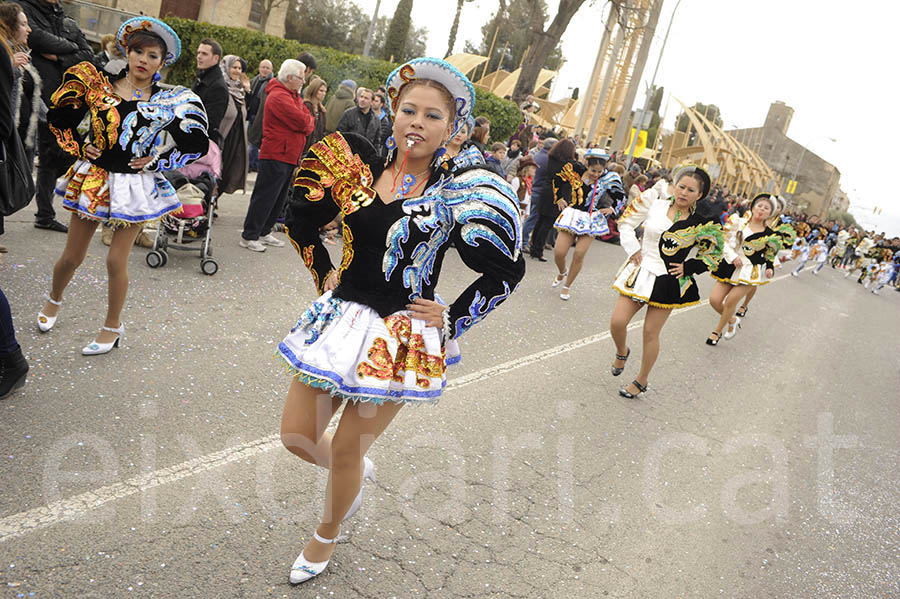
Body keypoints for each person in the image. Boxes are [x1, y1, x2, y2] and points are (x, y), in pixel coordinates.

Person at [277, 57, 525, 585]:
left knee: (346, 447)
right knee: (297, 437)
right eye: (409, 109)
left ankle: (325, 533)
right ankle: (354, 476)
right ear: (392, 112)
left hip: (400, 334)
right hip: (341, 317)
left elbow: (507, 268)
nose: (418, 122)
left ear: (452, 128)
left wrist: (453, 316)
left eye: (433, 116)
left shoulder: (457, 193)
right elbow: (299, 219)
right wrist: (323, 272)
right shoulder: (358, 169)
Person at [36, 17, 209, 354]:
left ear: (163, 62)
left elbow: (195, 144)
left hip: (135, 186)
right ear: (127, 53)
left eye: (153, 55)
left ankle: (112, 327)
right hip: (96, 178)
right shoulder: (99, 85)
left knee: (117, 261)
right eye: (138, 51)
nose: (144, 60)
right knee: (72, 256)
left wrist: (157, 161)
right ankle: (53, 299)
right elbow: (59, 117)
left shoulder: (170, 101)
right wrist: (81, 143)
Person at [609, 166, 723, 398]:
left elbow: (713, 253)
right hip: (640, 271)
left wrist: (689, 267)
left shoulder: (701, 223)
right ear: (674, 185)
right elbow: (626, 222)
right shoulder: (654, 202)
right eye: (681, 186)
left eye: (691, 190)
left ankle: (641, 380)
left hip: (668, 280)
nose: (684, 192)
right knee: (617, 322)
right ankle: (622, 352)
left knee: (650, 333)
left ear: (699, 195)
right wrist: (632, 249)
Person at [15, 0, 94, 233]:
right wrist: (70, 47)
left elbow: (87, 53)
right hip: (32, 96)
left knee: (58, 155)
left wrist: (60, 56)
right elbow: (37, 39)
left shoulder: (64, 18)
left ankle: (45, 215)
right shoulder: (23, 8)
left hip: (63, 99)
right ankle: (33, 209)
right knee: (20, 155)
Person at [239, 59, 311, 252]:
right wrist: (306, 121)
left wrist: (306, 120)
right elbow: (304, 122)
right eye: (301, 78)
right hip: (276, 152)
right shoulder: (279, 96)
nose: (303, 82)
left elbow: (307, 120)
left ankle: (264, 230)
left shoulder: (293, 96)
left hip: (288, 154)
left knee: (278, 198)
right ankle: (249, 235)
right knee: (265, 196)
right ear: (290, 78)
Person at [705, 194, 783, 345]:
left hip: (749, 270)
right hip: (731, 264)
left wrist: (769, 268)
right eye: (760, 205)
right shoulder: (738, 222)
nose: (762, 209)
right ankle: (732, 320)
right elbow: (725, 241)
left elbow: (770, 254)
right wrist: (733, 256)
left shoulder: (770, 234)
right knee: (714, 300)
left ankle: (717, 332)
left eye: (767, 208)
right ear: (753, 207)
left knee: (730, 302)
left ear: (770, 213)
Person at [550, 151, 624, 300]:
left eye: (599, 171)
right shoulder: (574, 171)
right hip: (572, 214)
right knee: (559, 252)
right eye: (593, 171)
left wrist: (612, 209)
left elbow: (620, 195)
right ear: (586, 165)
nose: (596, 174)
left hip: (592, 219)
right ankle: (562, 271)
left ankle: (567, 286)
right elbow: (557, 179)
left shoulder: (609, 178)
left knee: (579, 254)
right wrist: (558, 199)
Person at [529, 138, 576, 262]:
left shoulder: (551, 158)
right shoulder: (567, 164)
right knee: (547, 223)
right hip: (558, 194)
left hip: (547, 190)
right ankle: (538, 250)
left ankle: (534, 247)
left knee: (540, 220)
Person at [218, 54, 249, 194]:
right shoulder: (220, 88)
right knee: (215, 169)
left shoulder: (240, 91)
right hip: (221, 137)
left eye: (239, 68)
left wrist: (248, 90)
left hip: (235, 138)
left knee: (228, 171)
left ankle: (215, 199)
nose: (237, 71)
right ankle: (207, 202)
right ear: (226, 68)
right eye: (233, 67)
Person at [191, 37, 228, 146]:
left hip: (199, 145)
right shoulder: (202, 78)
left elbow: (210, 122)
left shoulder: (218, 87)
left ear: (216, 58)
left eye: (204, 54)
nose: (199, 57)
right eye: (198, 53)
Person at [521, 137, 556, 249]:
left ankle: (526, 241)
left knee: (531, 217)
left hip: (534, 188)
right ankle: (523, 242)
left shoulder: (538, 155)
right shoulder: (548, 159)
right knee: (532, 218)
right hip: (539, 190)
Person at [246, 58, 273, 171]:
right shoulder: (254, 81)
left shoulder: (272, 83)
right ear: (259, 68)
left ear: (271, 70)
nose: (265, 70)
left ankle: (252, 164)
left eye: (267, 68)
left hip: (262, 117)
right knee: (252, 140)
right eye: (263, 67)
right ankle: (253, 164)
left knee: (254, 142)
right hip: (252, 115)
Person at [301, 75, 327, 156]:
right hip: (303, 148)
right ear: (314, 90)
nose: (323, 94)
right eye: (321, 91)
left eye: (325, 91)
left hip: (315, 150)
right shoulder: (306, 106)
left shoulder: (322, 110)